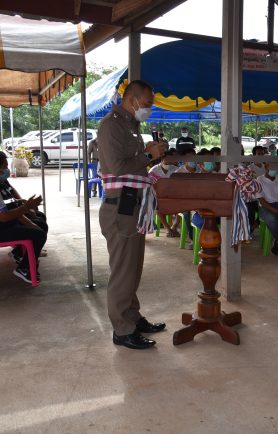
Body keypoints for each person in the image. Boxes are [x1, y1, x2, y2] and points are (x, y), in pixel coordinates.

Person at [97, 80, 167, 350]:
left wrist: (148, 153)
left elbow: (132, 162)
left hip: (133, 205)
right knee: (123, 272)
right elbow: (115, 167)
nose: (149, 107)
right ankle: (122, 330)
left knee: (133, 268)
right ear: (132, 99)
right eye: (148, 103)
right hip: (121, 207)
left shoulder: (130, 125)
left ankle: (132, 318)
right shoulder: (112, 125)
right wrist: (148, 154)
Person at [0, 151, 46, 283]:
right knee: (38, 234)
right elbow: (3, 217)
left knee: (40, 226)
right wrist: (26, 208)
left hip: (6, 223)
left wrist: (31, 219)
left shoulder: (2, 183)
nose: (6, 170)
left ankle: (21, 255)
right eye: (4, 166)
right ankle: (24, 268)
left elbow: (12, 210)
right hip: (2, 227)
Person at [148, 150, 180, 237]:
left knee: (182, 206)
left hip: (173, 197)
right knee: (158, 206)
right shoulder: (153, 171)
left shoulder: (176, 169)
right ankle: (167, 228)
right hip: (159, 197)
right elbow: (152, 188)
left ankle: (174, 227)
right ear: (163, 158)